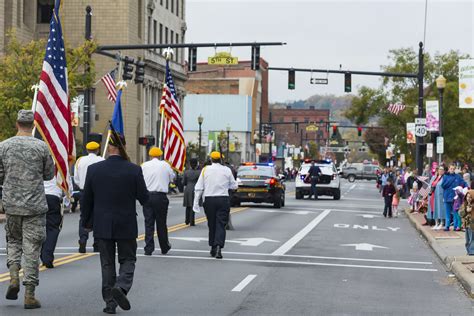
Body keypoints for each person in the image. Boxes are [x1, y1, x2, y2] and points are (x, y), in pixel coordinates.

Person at [81, 134, 148, 314]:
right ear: (124, 146)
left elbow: (86, 200)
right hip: (126, 223)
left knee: (107, 264)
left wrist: (85, 224)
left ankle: (110, 302)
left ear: (109, 148)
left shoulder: (94, 170)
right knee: (128, 259)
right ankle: (122, 286)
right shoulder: (134, 170)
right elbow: (144, 198)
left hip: (102, 223)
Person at [0, 110, 54, 309]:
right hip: (35, 206)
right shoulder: (41, 147)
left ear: (17, 124)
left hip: (11, 205)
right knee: (32, 249)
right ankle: (29, 294)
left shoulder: (3, 146)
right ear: (33, 125)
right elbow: (49, 175)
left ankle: (13, 276)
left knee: (13, 241)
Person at [193, 151, 238, 259]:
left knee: (211, 223)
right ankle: (218, 247)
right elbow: (233, 186)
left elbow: (199, 187)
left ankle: (213, 246)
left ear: (211, 159)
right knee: (221, 224)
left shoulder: (205, 170)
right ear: (221, 159)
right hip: (223, 199)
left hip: (209, 199)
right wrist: (236, 184)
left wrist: (196, 202)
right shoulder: (227, 170)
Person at [141, 147, 175, 256]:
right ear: (160, 155)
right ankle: (164, 246)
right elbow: (172, 178)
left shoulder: (144, 165)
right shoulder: (165, 165)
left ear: (150, 155)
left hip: (147, 195)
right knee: (161, 223)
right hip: (161, 196)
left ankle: (148, 248)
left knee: (149, 223)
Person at [73, 141, 104, 253]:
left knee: (84, 216)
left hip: (84, 191)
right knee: (98, 217)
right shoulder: (102, 160)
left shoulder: (80, 160)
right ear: (98, 150)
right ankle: (97, 243)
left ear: (87, 150)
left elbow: (76, 178)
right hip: (98, 192)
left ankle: (83, 239)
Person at [40, 176, 64, 269]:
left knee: (37, 226)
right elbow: (65, 179)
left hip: (37, 195)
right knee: (52, 228)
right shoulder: (60, 160)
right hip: (53, 196)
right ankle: (47, 257)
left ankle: (40, 255)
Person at [442, 164, 467, 231]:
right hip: (447, 197)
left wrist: (467, 187)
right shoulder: (445, 176)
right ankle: (447, 226)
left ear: (455, 169)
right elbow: (443, 186)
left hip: (455, 198)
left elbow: (464, 183)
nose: (452, 170)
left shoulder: (458, 176)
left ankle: (456, 227)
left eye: (453, 169)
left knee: (455, 213)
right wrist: (450, 179)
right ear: (449, 169)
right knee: (447, 213)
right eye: (451, 168)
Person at [183, 158, 201, 226]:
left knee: (188, 205)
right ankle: (192, 221)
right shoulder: (199, 172)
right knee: (193, 205)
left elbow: (183, 182)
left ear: (190, 164)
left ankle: (187, 220)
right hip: (195, 189)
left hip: (187, 189)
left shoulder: (186, 172)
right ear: (196, 164)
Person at [460, 190, 474, 255]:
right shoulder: (465, 204)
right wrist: (466, 210)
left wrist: (471, 210)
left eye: (470, 197)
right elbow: (460, 213)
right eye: (467, 197)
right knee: (467, 240)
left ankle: (471, 252)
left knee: (472, 240)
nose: (468, 198)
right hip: (466, 225)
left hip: (472, 225)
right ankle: (469, 251)